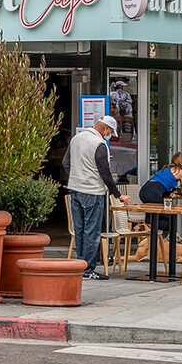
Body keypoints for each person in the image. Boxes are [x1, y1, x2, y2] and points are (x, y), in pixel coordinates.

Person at [65, 114, 120, 279]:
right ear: (105, 128)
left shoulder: (76, 138)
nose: (109, 135)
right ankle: (88, 269)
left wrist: (78, 178)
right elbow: (105, 173)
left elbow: (65, 163)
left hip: (75, 190)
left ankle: (79, 267)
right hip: (93, 193)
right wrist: (117, 194)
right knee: (92, 232)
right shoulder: (99, 144)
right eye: (110, 131)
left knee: (79, 230)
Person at [138, 151, 182, 250]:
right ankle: (162, 242)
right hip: (154, 192)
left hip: (146, 189)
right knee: (167, 217)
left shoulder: (166, 169)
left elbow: (161, 183)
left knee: (153, 219)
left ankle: (150, 243)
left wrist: (168, 193)